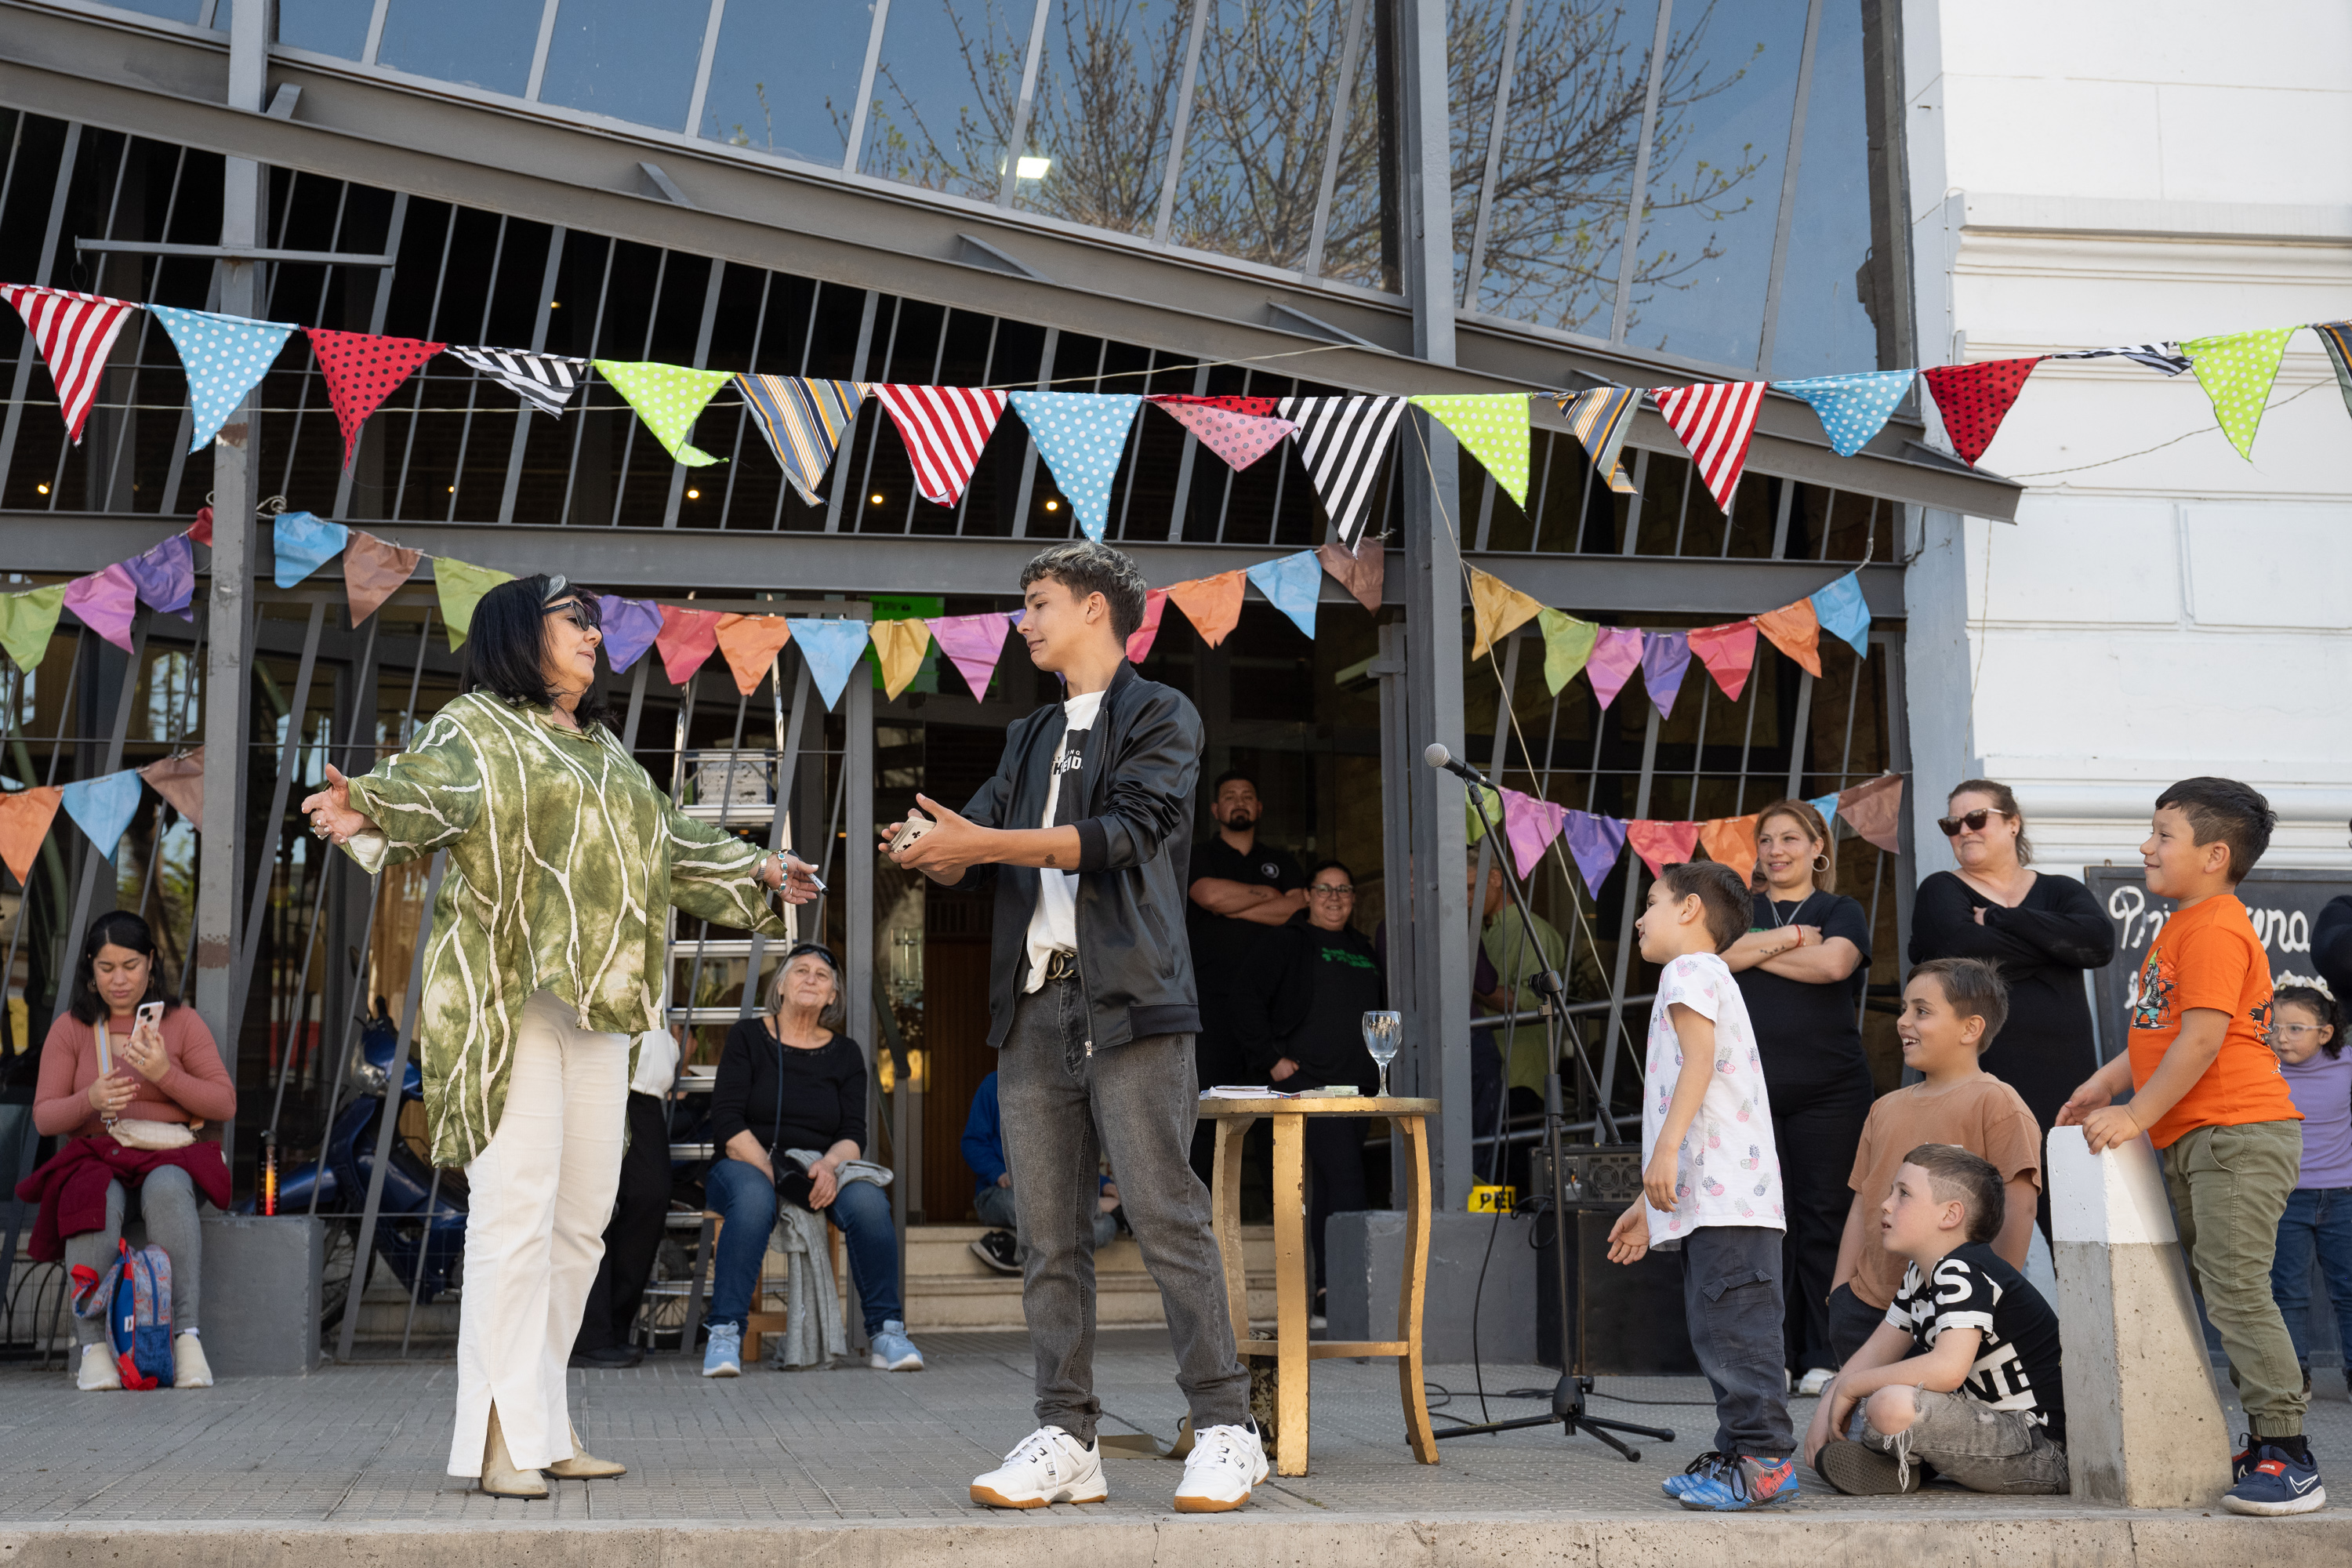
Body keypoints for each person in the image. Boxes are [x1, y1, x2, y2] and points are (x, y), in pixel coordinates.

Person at [301, 573, 818, 1498]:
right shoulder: (478, 725)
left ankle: (545, 1420)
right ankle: (496, 1435)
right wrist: (368, 805)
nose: (591, 632)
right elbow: (429, 788)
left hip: (601, 1009)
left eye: (591, 621)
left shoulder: (611, 752)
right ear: (516, 633)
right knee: (516, 1212)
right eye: (572, 619)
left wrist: (765, 868)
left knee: (581, 1218)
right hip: (507, 1006)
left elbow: (669, 844)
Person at [882, 539, 1264, 1514]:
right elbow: (967, 846)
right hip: (1036, 1004)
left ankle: (1227, 1426)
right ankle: (1067, 1433)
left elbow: (1123, 835)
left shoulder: (1161, 713)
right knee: (1050, 1235)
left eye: (1040, 602)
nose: (1025, 619)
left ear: (1096, 608)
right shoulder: (1025, 735)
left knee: (1166, 1212)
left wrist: (980, 843)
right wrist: (924, 848)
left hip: (1132, 1000)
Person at [2059, 778, 2320, 1517]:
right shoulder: (2184, 924)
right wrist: (2103, 1086)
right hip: (2202, 1134)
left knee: (2237, 1290)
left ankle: (2290, 1455)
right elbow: (2160, 1032)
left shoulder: (2213, 928)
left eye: (2162, 834)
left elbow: (2204, 1039)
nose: (2146, 845)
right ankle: (2267, 1439)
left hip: (2238, 1132)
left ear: (2214, 855)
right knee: (2220, 1291)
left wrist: (2135, 1115)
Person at [1606, 860, 1796, 1513]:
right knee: (1724, 1329)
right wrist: (1646, 1203)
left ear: (1689, 910)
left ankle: (1764, 1459)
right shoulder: (1706, 974)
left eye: (1652, 902)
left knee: (1735, 1332)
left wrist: (1659, 1154)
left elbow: (1700, 1062)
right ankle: (1742, 1452)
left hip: (1726, 1197)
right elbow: (1697, 1094)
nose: (1639, 917)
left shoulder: (1686, 970)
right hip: (1720, 1195)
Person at [26, 911, 234, 1390]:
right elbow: (45, 1116)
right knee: (91, 1195)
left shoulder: (180, 1023)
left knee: (166, 1190)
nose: (119, 980)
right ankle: (93, 1347)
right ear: (90, 970)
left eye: (131, 965)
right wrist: (90, 1101)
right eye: (106, 968)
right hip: (99, 1155)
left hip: (166, 1157)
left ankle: (186, 1339)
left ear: (152, 963)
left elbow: (224, 1102)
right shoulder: (71, 1029)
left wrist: (164, 1073)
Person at [1908, 779, 2114, 1242]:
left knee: (2078, 1231)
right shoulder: (1942, 889)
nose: (1964, 831)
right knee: (1971, 1222)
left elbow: (2097, 944)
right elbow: (1962, 948)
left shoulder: (2059, 889)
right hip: (1980, 1079)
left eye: (1976, 819)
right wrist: (2056, 946)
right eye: (1952, 824)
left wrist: (2003, 919)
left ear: (2013, 823)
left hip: (2065, 1085)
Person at [702, 942, 921, 1375]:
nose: (810, 979)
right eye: (800, 971)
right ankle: (725, 1333)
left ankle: (887, 1332)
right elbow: (727, 1122)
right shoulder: (748, 1037)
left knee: (869, 1203)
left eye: (821, 976)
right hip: (748, 1161)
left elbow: (852, 1135)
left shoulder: (846, 1053)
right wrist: (773, 1173)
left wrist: (828, 1166)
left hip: (820, 1165)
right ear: (780, 986)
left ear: (832, 996)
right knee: (752, 1200)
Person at [1803, 1145, 2067, 1497]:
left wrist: (1851, 1388)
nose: (1886, 1203)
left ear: (1950, 1215)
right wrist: (1824, 1412)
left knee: (1887, 1404)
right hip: (1986, 1429)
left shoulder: (1962, 1271)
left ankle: (1907, 1464)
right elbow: (1875, 1352)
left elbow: (1947, 1369)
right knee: (1863, 1402)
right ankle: (1906, 1464)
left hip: (2040, 1450)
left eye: (1904, 1194)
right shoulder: (1919, 1275)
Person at [1719, 799, 1874, 1395]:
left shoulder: (1842, 909)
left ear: (1818, 847)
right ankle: (1770, 1355)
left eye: (1791, 838)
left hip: (1831, 1091)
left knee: (1824, 1220)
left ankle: (1824, 1353)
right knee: (1763, 1223)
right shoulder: (1740, 909)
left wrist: (1758, 952)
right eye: (1767, 840)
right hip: (1747, 1091)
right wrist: (1786, 938)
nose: (1776, 850)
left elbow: (1835, 965)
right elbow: (1713, 955)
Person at [1828, 960, 2042, 1367]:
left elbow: (2020, 1208)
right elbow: (1864, 1203)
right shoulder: (1882, 1109)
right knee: (1861, 1424)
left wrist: (1987, 1304)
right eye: (1905, 1008)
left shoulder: (1997, 1104)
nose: (1903, 1021)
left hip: (1950, 1317)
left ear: (1970, 1028)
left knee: (1924, 1425)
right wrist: (1841, 1294)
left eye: (1921, 1011)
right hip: (1866, 1311)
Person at [1231, 858, 1383, 1307]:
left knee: (1336, 1182)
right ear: (1308, 897)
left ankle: (1325, 1289)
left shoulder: (1364, 948)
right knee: (1348, 1179)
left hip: (1356, 1086)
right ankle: (1350, 1289)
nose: (1334, 898)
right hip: (1307, 1083)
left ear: (1354, 899)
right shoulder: (1286, 942)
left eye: (1343, 890)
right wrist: (1273, 1062)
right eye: (1324, 889)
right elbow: (1244, 999)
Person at [1184, 771, 1305, 1182]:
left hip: (1270, 1013)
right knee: (1205, 1113)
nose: (1239, 801)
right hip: (1210, 1007)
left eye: (1248, 795)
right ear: (1216, 810)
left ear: (1259, 808)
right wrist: (1267, 897)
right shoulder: (1199, 854)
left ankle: (1278, 1218)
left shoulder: (1282, 861)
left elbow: (1296, 910)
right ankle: (1201, 1218)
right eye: (1230, 796)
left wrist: (1236, 904)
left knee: (1273, 1118)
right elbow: (1209, 896)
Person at [570, 1020, 682, 1369]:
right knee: (589, 1206)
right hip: (590, 1081)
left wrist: (670, 1051)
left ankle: (612, 1328)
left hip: (644, 1092)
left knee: (650, 1197)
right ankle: (589, 1337)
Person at [2267, 984, 2352, 1401]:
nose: (2283, 1037)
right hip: (2284, 1199)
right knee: (2289, 1293)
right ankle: (2295, 1376)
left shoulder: (2348, 1065)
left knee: (2349, 1289)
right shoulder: (2264, 1069)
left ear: (2325, 1032)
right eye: (2275, 1027)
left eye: (2296, 1028)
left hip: (2343, 1197)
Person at [962, 1069, 1119, 1273]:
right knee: (1016, 1205)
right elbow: (972, 1142)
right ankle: (1093, 1209)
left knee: (1107, 1227)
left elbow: (1070, 1161)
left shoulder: (1060, 1092)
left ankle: (1010, 1246)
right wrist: (999, 1172)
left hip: (1054, 1202)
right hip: (1000, 1194)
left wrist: (1104, 1185)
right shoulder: (995, 1084)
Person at [1470, 855, 1570, 1114]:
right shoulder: (1476, 933)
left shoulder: (1535, 933)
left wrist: (1470, 987)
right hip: (1480, 1070)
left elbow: (1528, 1004)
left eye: (1470, 888)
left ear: (1495, 879)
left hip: (1520, 1076)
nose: (1466, 897)